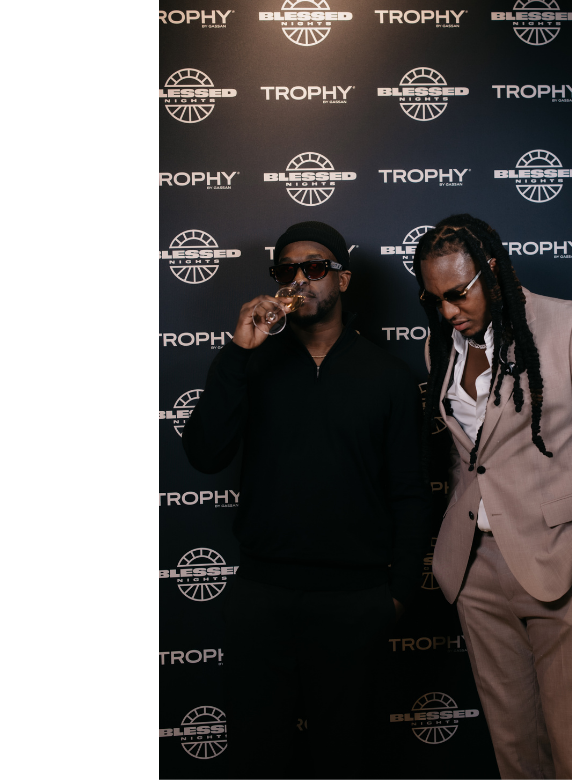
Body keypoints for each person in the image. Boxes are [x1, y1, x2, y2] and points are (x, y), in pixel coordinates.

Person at [415, 214, 572, 779]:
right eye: (435, 300)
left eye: (458, 294)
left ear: (491, 269)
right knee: (516, 752)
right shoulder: (442, 346)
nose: (448, 311)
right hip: (476, 571)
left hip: (563, 563)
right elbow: (471, 456)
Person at [182, 220, 429, 779]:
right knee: (258, 757)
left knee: (349, 758)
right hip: (263, 598)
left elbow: (410, 493)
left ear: (342, 279)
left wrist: (397, 595)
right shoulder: (252, 364)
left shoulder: (388, 377)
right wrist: (238, 352)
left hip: (355, 600)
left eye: (314, 267)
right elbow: (204, 453)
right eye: (286, 270)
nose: (299, 280)